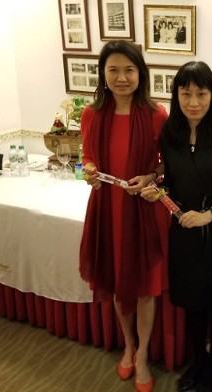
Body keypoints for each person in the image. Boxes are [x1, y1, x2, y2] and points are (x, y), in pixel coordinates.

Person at [142, 61, 212, 392]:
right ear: (176, 95)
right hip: (185, 234)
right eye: (185, 93)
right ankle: (198, 360)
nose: (193, 102)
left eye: (201, 94)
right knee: (192, 302)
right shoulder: (170, 136)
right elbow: (172, 182)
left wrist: (209, 215)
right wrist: (158, 190)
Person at [79, 40, 168, 392]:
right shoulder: (92, 114)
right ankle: (128, 345)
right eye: (113, 70)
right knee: (118, 284)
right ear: (103, 74)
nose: (121, 77)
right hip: (108, 210)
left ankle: (143, 353)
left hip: (144, 209)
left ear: (140, 73)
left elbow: (166, 165)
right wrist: (88, 170)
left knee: (145, 288)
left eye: (129, 70)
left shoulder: (156, 114)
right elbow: (86, 157)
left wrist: (151, 177)